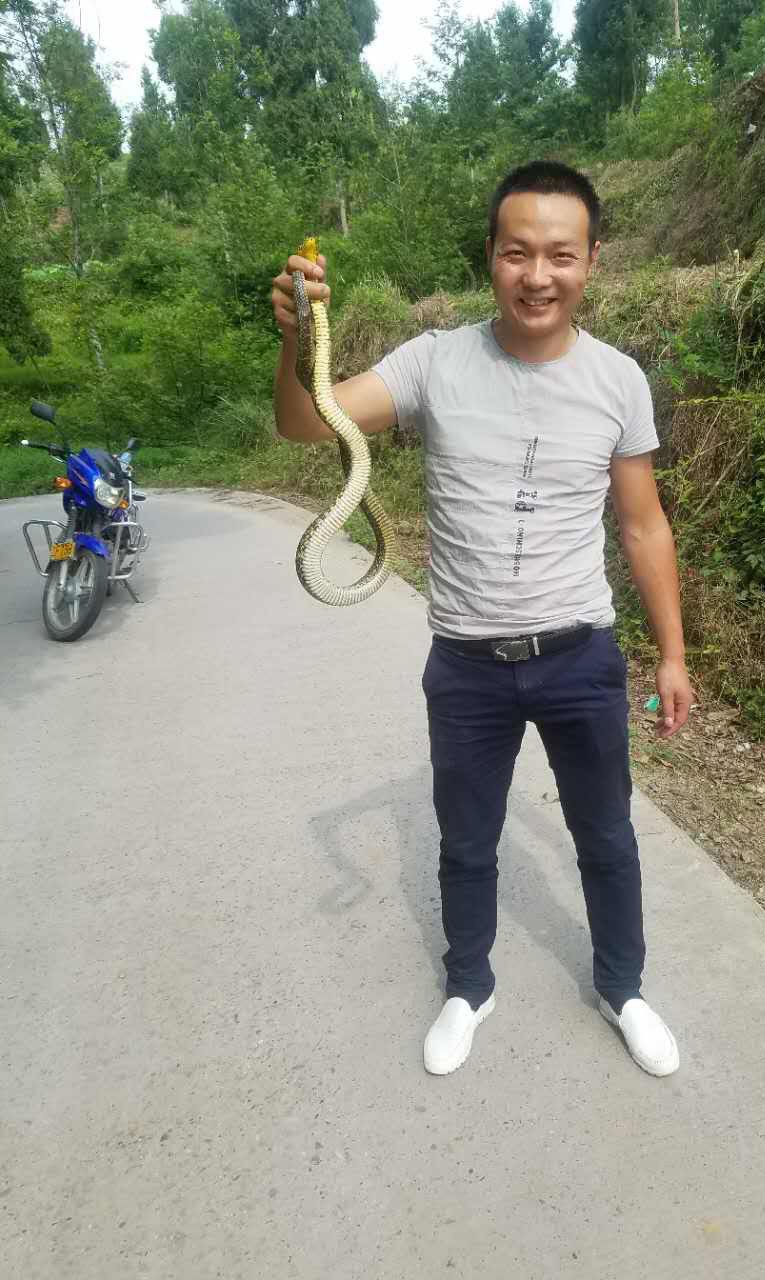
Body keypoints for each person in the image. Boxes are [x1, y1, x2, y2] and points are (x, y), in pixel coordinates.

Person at [271, 160, 693, 1078]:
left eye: (560, 255)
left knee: (606, 838)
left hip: (580, 655)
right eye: (517, 253)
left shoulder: (619, 380)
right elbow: (307, 424)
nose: (538, 275)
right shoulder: (433, 362)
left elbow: (643, 524)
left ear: (591, 262)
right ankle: (468, 987)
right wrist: (297, 339)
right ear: (490, 257)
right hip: (466, 664)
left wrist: (673, 652)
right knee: (466, 842)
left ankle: (622, 988)